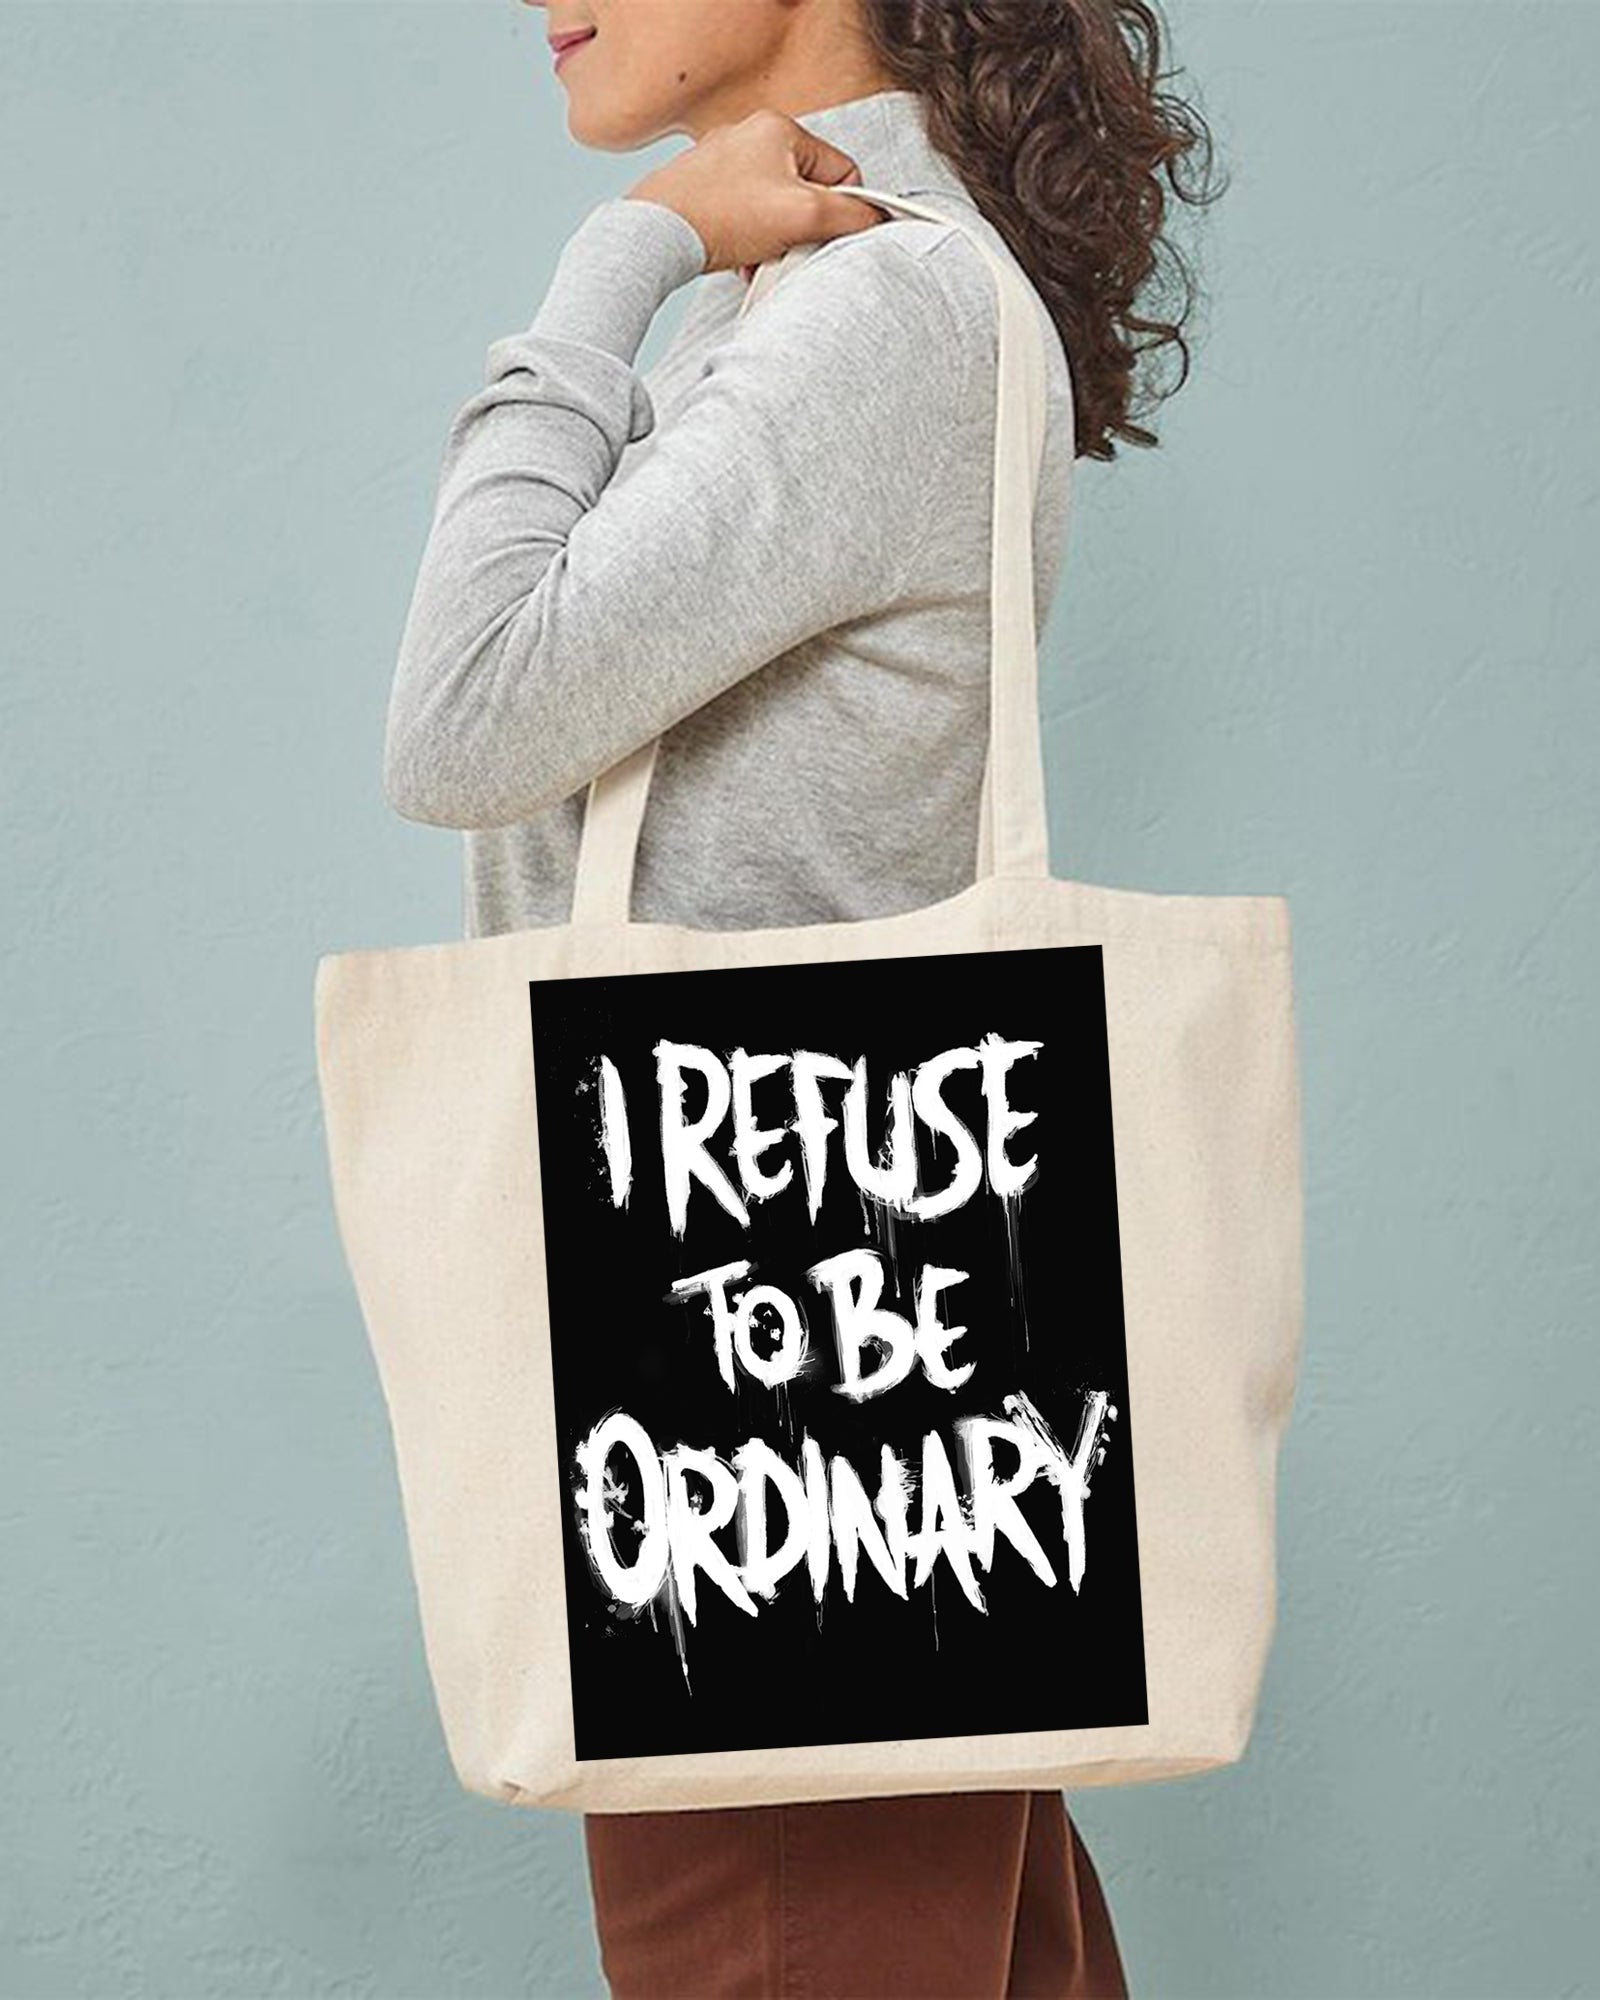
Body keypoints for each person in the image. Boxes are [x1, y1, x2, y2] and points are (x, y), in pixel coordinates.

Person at [383, 3, 1218, 1992]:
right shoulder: (838, 296)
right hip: (856, 1362)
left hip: (749, 1383)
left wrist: (631, 242)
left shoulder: (858, 312)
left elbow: (460, 715)